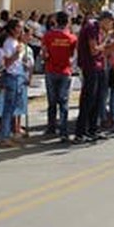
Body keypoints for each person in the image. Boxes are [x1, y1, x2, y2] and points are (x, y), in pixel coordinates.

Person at [75, 11, 114, 143]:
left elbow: (103, 51)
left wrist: (113, 46)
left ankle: (93, 130)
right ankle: (80, 132)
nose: (112, 25)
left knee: (99, 99)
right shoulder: (92, 27)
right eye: (111, 22)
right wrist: (107, 41)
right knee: (89, 99)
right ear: (105, 20)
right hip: (90, 66)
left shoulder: (100, 30)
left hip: (100, 66)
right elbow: (94, 49)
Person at [42, 11, 77, 142]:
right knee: (64, 102)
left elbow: (44, 54)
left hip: (51, 70)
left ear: (56, 21)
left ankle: (51, 127)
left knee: (52, 102)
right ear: (67, 22)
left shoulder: (48, 36)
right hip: (65, 71)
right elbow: (73, 55)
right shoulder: (72, 38)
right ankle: (63, 131)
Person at [0, 19, 25, 148]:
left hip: (17, 76)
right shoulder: (9, 43)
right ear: (13, 29)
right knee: (8, 108)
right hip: (12, 76)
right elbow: (7, 63)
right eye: (20, 27)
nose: (21, 30)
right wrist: (17, 53)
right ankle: (4, 136)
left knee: (13, 107)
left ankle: (9, 133)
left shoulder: (15, 42)